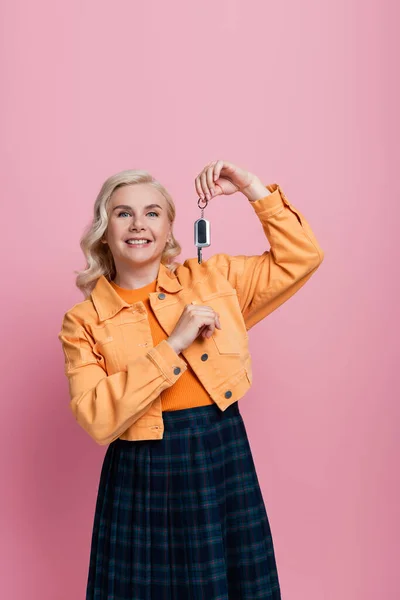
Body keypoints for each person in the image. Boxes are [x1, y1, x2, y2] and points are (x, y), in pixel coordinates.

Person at [58, 159, 324, 599]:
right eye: (123, 213)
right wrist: (172, 345)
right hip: (141, 470)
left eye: (152, 212)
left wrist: (251, 187)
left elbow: (303, 257)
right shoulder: (82, 322)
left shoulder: (213, 280)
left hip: (221, 455)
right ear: (104, 230)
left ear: (169, 229)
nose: (138, 224)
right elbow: (96, 418)